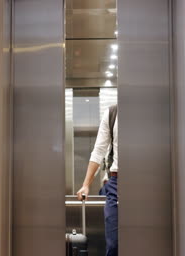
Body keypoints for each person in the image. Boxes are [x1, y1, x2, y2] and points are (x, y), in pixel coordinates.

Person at [77, 105, 118, 256]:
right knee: (114, 244)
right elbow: (99, 150)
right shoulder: (112, 113)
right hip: (116, 182)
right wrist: (86, 185)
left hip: (145, 180)